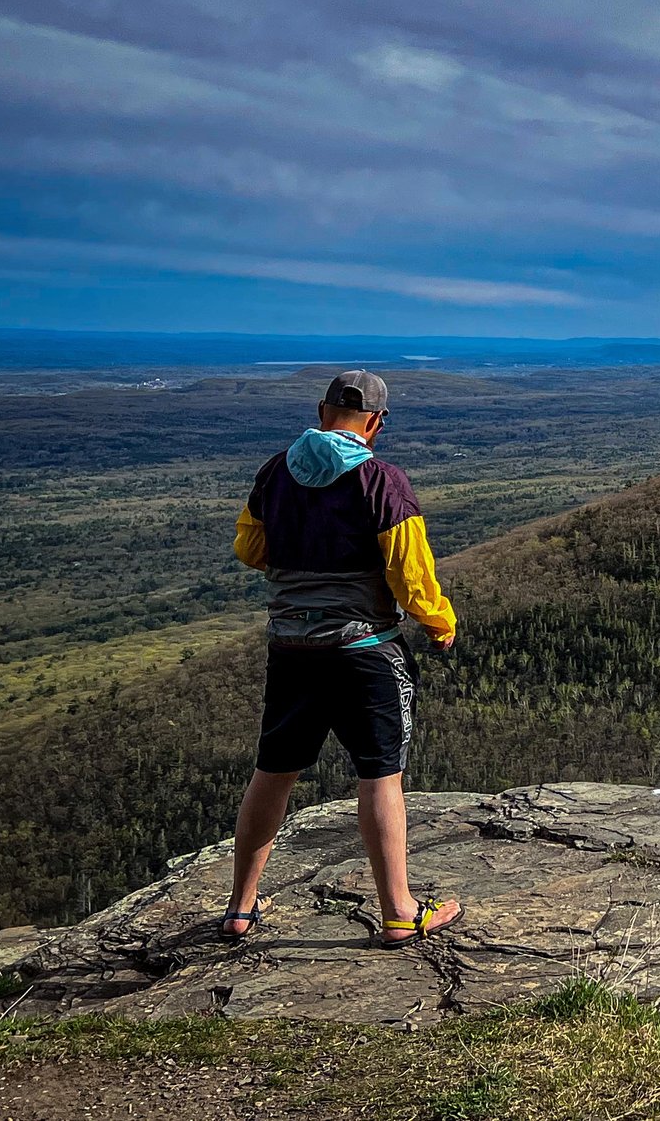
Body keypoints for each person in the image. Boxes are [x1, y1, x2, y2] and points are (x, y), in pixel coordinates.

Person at [221, 369, 463, 945]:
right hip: (364, 651)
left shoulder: (276, 471)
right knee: (380, 775)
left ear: (322, 410)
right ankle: (400, 911)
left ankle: (239, 907)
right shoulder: (382, 480)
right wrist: (440, 623)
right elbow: (410, 574)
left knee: (273, 772)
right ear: (376, 422)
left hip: (292, 648)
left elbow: (248, 548)